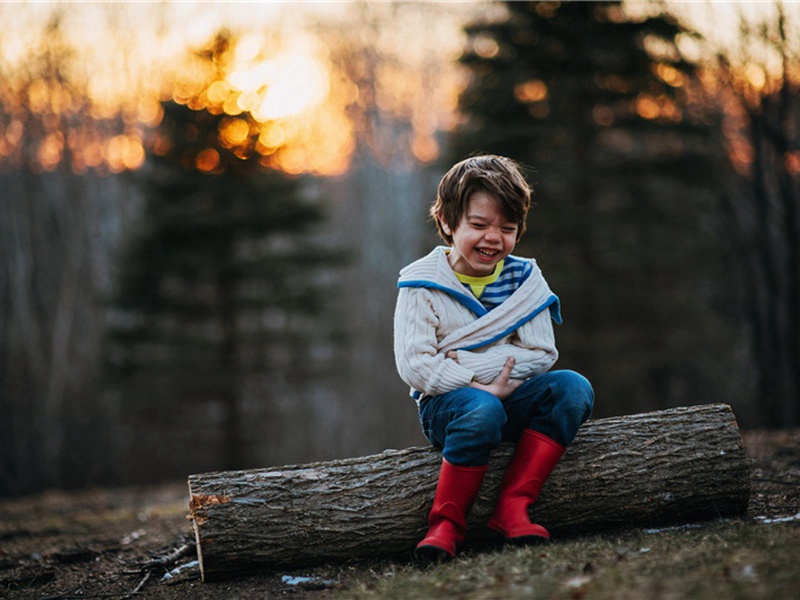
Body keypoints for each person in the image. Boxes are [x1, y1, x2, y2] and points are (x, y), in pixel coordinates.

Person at [393, 154, 594, 565]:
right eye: (479, 225)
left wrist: (465, 363)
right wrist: (481, 385)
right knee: (482, 408)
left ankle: (513, 507)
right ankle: (445, 525)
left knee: (573, 387)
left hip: (510, 393)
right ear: (448, 223)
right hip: (448, 406)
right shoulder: (421, 284)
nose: (493, 239)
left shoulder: (525, 279)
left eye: (507, 228)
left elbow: (541, 354)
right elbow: (415, 366)